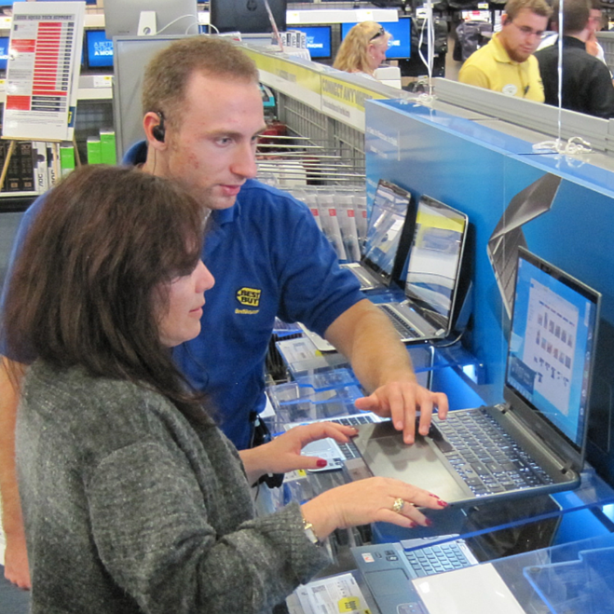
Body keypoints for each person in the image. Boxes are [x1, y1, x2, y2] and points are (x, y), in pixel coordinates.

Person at [0, 36, 448, 589]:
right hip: (115, 500)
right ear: (157, 129)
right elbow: (18, 375)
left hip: (219, 472)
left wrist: (395, 382)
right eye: (222, 140)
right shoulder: (71, 226)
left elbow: (351, 314)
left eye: (255, 140)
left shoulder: (270, 219)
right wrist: (19, 532)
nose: (247, 164)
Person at [458, 0, 551, 101]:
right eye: (525, 30)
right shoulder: (477, 70)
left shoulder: (531, 61)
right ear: (504, 21)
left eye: (538, 33)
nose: (531, 41)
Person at [535, 0, 614, 117]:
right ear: (590, 23)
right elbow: (606, 118)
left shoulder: (534, 60)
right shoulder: (595, 68)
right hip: (583, 133)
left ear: (554, 25)